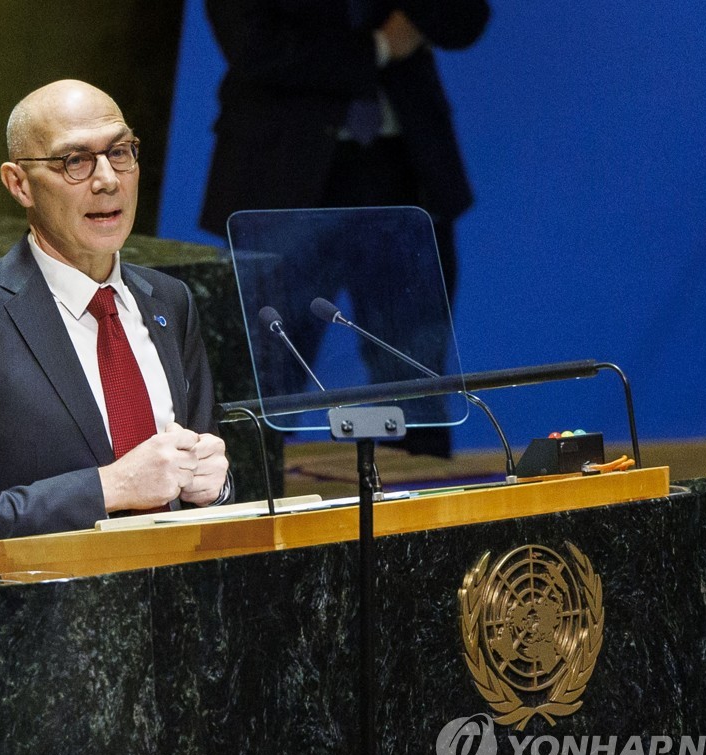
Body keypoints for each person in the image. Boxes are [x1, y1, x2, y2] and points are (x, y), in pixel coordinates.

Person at [0, 79, 230, 584]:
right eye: (75, 161)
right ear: (19, 184)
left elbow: (202, 472)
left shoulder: (170, 303)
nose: (107, 180)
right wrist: (107, 489)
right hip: (40, 640)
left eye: (120, 152)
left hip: (180, 621)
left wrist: (217, 487)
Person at [200, 0, 489, 457]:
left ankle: (423, 523)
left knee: (415, 376)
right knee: (264, 377)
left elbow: (465, 18)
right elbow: (252, 43)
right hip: (281, 179)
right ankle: (247, 514)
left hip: (404, 172)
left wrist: (410, 25)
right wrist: (375, 48)